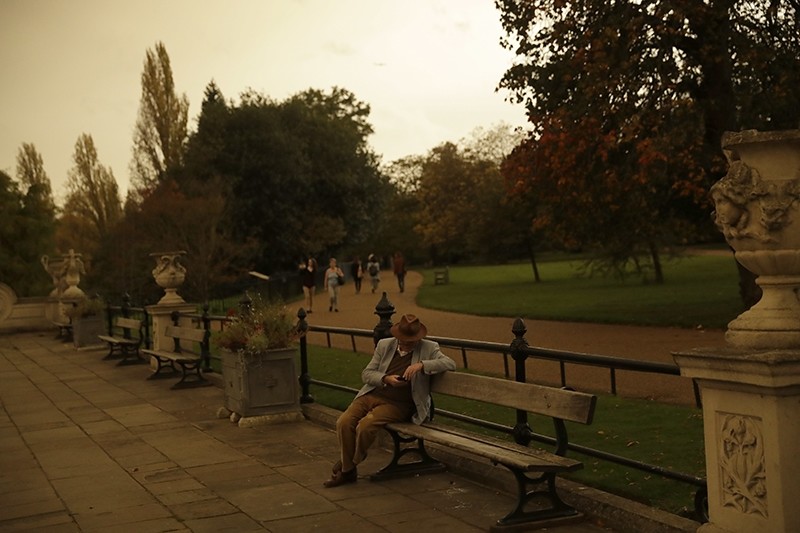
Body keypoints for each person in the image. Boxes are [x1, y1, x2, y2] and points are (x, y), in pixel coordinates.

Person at [323, 314, 456, 487]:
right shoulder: (385, 345)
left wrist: (422, 365)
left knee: (366, 426)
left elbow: (450, 363)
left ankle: (348, 467)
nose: (407, 344)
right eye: (404, 340)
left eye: (412, 341)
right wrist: (386, 378)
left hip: (399, 404)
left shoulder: (429, 348)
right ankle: (350, 467)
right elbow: (367, 374)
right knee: (344, 422)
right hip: (373, 394)